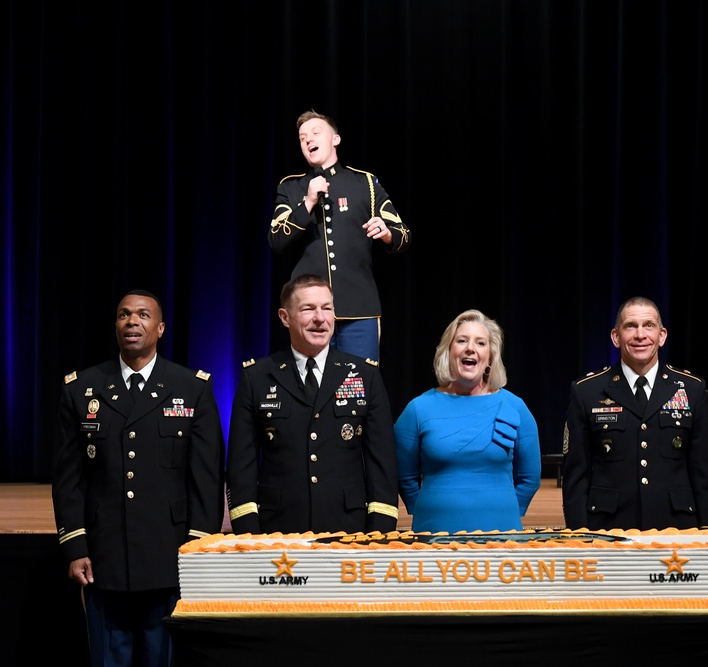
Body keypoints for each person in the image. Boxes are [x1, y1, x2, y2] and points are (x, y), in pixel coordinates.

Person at [52, 289, 225, 667]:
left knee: (162, 657)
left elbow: (207, 479)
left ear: (160, 328)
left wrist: (196, 550)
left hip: (167, 553)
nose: (133, 322)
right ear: (116, 326)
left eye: (143, 315)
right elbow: (68, 477)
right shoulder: (82, 388)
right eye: (124, 315)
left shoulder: (191, 388)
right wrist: (76, 545)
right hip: (104, 555)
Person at [226, 273, 399, 534]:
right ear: (285, 317)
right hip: (278, 531)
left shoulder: (365, 375)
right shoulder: (257, 377)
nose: (320, 318)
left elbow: (381, 463)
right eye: (308, 309)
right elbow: (242, 464)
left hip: (349, 531)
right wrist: (248, 532)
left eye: (327, 308)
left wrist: (380, 532)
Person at [561, 296, 708, 531]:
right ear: (616, 337)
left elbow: (704, 473)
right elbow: (575, 477)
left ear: (662, 335)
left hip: (676, 529)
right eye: (630, 326)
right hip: (607, 530)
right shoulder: (586, 390)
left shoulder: (691, 388)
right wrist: (579, 536)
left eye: (649, 325)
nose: (640, 335)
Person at [267, 109, 411, 364]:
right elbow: (277, 239)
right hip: (308, 310)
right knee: (309, 387)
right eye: (302, 138)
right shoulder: (291, 187)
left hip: (359, 308)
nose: (308, 140)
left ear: (335, 139)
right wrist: (308, 202)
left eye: (315, 132)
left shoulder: (364, 183)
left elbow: (404, 234)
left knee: (358, 388)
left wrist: (388, 234)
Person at [394, 309, 541, 533]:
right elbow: (404, 475)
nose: (470, 348)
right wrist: (425, 509)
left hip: (502, 537)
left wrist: (506, 510)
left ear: (490, 356)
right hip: (433, 535)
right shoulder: (418, 408)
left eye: (480, 343)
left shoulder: (516, 407)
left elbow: (530, 477)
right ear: (449, 351)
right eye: (462, 340)